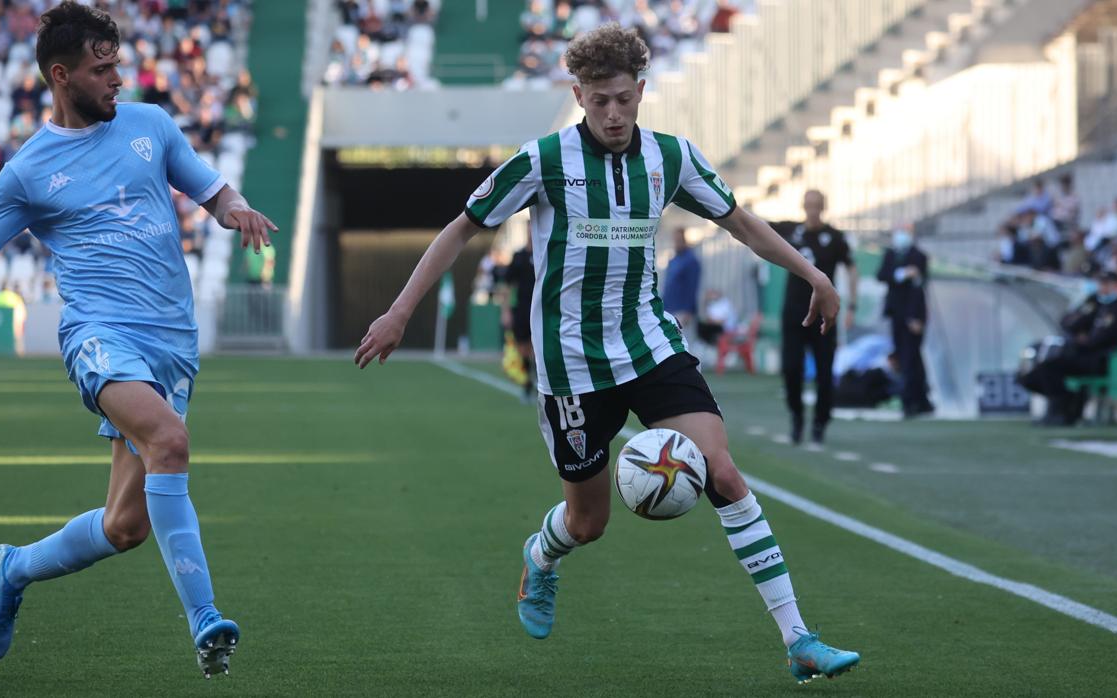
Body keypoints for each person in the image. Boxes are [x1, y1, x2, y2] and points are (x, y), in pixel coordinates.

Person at [354, 24, 860, 684]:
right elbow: (460, 230)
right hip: (570, 367)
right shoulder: (542, 161)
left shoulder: (672, 157)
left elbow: (741, 222)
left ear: (641, 91)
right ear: (579, 96)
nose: (614, 113)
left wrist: (812, 274)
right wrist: (398, 312)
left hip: (649, 346)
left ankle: (798, 639)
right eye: (599, 102)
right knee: (588, 523)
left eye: (624, 98)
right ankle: (541, 556)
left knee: (723, 474)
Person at [0, 2, 277, 678]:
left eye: (117, 66)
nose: (116, 79)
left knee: (125, 527)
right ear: (61, 75)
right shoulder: (27, 171)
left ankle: (14, 570)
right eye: (101, 69)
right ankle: (205, 621)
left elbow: (213, 190)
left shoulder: (151, 125)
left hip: (173, 344)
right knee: (169, 441)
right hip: (99, 336)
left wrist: (236, 211)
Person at [770, 190, 858, 444]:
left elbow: (852, 268)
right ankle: (796, 417)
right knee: (791, 369)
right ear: (803, 206)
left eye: (817, 206)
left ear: (823, 207)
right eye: (809, 205)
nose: (812, 210)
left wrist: (852, 305)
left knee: (824, 373)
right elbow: (755, 228)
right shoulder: (790, 231)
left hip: (823, 315)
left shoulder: (835, 237)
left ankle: (820, 424)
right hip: (794, 314)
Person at [1018, 271, 1117, 426]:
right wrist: (1082, 334)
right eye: (1101, 283)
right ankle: (1065, 403)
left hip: (1102, 359)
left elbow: (1100, 338)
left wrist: (1084, 338)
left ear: (1115, 285)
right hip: (1082, 354)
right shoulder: (1093, 302)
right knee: (1037, 370)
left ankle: (1059, 411)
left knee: (1050, 368)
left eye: (1107, 283)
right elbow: (1067, 323)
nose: (1102, 287)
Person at [876, 225, 933, 418]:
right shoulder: (891, 254)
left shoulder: (919, 257)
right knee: (904, 357)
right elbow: (882, 275)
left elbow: (919, 289)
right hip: (896, 313)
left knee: (911, 357)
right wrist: (901, 274)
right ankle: (921, 400)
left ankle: (911, 401)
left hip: (912, 315)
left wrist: (916, 317)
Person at [500, 232, 537, 401]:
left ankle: (540, 384)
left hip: (542, 309)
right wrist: (505, 311)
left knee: (539, 349)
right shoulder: (519, 256)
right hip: (522, 308)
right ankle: (527, 384)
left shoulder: (545, 252)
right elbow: (507, 285)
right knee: (523, 348)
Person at [662, 226, 700, 334]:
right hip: (669, 309)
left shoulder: (691, 261)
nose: (676, 243)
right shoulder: (673, 260)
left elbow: (692, 287)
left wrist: (688, 311)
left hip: (682, 313)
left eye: (679, 240)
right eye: (675, 240)